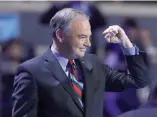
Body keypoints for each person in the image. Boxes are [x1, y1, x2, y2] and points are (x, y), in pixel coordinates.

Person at [12, 8, 148, 117]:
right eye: (82, 37)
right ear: (60, 35)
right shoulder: (32, 71)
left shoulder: (94, 64)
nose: (88, 43)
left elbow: (138, 81)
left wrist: (126, 43)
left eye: (89, 37)